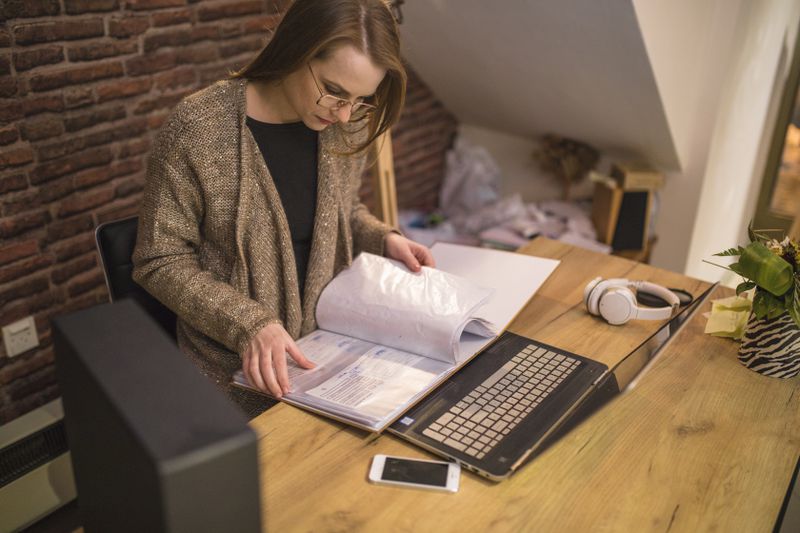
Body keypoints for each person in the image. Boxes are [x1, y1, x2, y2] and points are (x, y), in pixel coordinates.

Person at [132, 0, 434, 417]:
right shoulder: (199, 128)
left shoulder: (347, 124)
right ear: (296, 49)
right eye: (334, 92)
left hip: (329, 357)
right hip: (233, 377)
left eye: (361, 99)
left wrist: (383, 237)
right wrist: (249, 324)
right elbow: (158, 259)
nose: (345, 116)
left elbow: (342, 211)